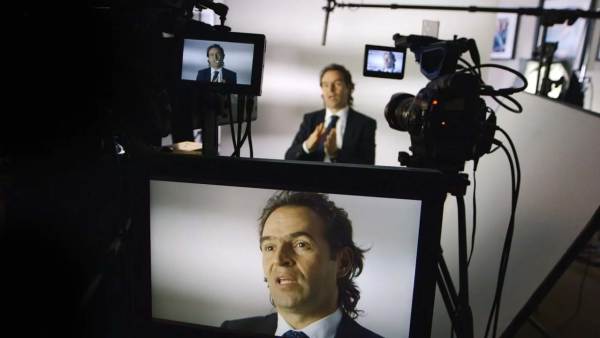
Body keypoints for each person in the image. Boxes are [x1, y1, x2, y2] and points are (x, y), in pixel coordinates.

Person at [222, 191, 383, 338]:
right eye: (270, 247)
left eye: (301, 244)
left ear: (343, 262)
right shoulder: (229, 330)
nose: (279, 259)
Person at [284, 64, 376, 165]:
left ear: (349, 88)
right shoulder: (310, 119)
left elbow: (368, 165)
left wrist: (335, 153)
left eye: (337, 84)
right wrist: (306, 146)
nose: (330, 90)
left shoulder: (365, 124)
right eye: (325, 85)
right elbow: (288, 158)